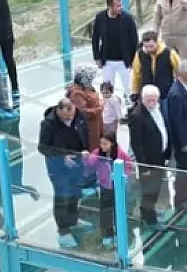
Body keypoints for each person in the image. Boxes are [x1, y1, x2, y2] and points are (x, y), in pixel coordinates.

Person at [39, 96, 90, 248]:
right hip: (59, 168)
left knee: (75, 192)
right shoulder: (48, 124)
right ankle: (63, 230)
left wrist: (85, 151)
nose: (70, 119)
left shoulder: (78, 116)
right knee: (62, 196)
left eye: (71, 115)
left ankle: (73, 220)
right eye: (66, 117)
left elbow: (85, 133)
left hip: (77, 163)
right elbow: (43, 147)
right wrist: (62, 156)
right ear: (59, 111)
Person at [127, 84, 171, 225]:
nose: (151, 103)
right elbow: (137, 145)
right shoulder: (137, 116)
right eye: (148, 100)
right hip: (148, 162)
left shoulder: (158, 109)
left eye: (154, 100)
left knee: (156, 188)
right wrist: (143, 167)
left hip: (159, 157)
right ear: (142, 98)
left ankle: (150, 211)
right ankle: (149, 219)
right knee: (149, 191)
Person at [84, 130, 134, 250]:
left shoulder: (120, 153)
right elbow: (90, 163)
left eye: (105, 143)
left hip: (118, 187)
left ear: (112, 143)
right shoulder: (97, 153)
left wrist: (124, 176)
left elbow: (128, 165)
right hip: (105, 187)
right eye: (101, 143)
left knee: (119, 210)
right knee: (105, 211)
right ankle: (107, 234)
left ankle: (119, 233)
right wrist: (85, 157)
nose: (103, 146)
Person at [166, 60, 187, 204]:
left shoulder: (185, 87)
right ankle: (180, 199)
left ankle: (185, 194)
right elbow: (177, 121)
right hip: (184, 141)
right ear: (186, 74)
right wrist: (183, 142)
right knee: (183, 169)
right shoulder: (176, 94)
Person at [91, 0, 138, 98]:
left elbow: (134, 40)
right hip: (107, 60)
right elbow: (95, 38)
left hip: (124, 60)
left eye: (121, 5)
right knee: (107, 89)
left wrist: (133, 59)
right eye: (118, 6)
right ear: (110, 6)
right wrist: (97, 57)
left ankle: (132, 105)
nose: (121, 8)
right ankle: (109, 107)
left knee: (129, 88)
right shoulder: (100, 17)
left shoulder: (127, 18)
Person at [131, 30, 180, 99]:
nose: (149, 49)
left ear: (157, 42)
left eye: (151, 46)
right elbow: (136, 75)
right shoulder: (139, 55)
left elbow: (179, 70)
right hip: (148, 94)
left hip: (166, 92)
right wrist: (135, 91)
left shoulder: (169, 53)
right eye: (146, 47)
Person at [67, 64, 104, 153]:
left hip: (96, 122)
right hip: (89, 126)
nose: (92, 79)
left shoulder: (87, 87)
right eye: (91, 77)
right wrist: (99, 108)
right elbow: (84, 112)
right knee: (92, 148)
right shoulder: (76, 93)